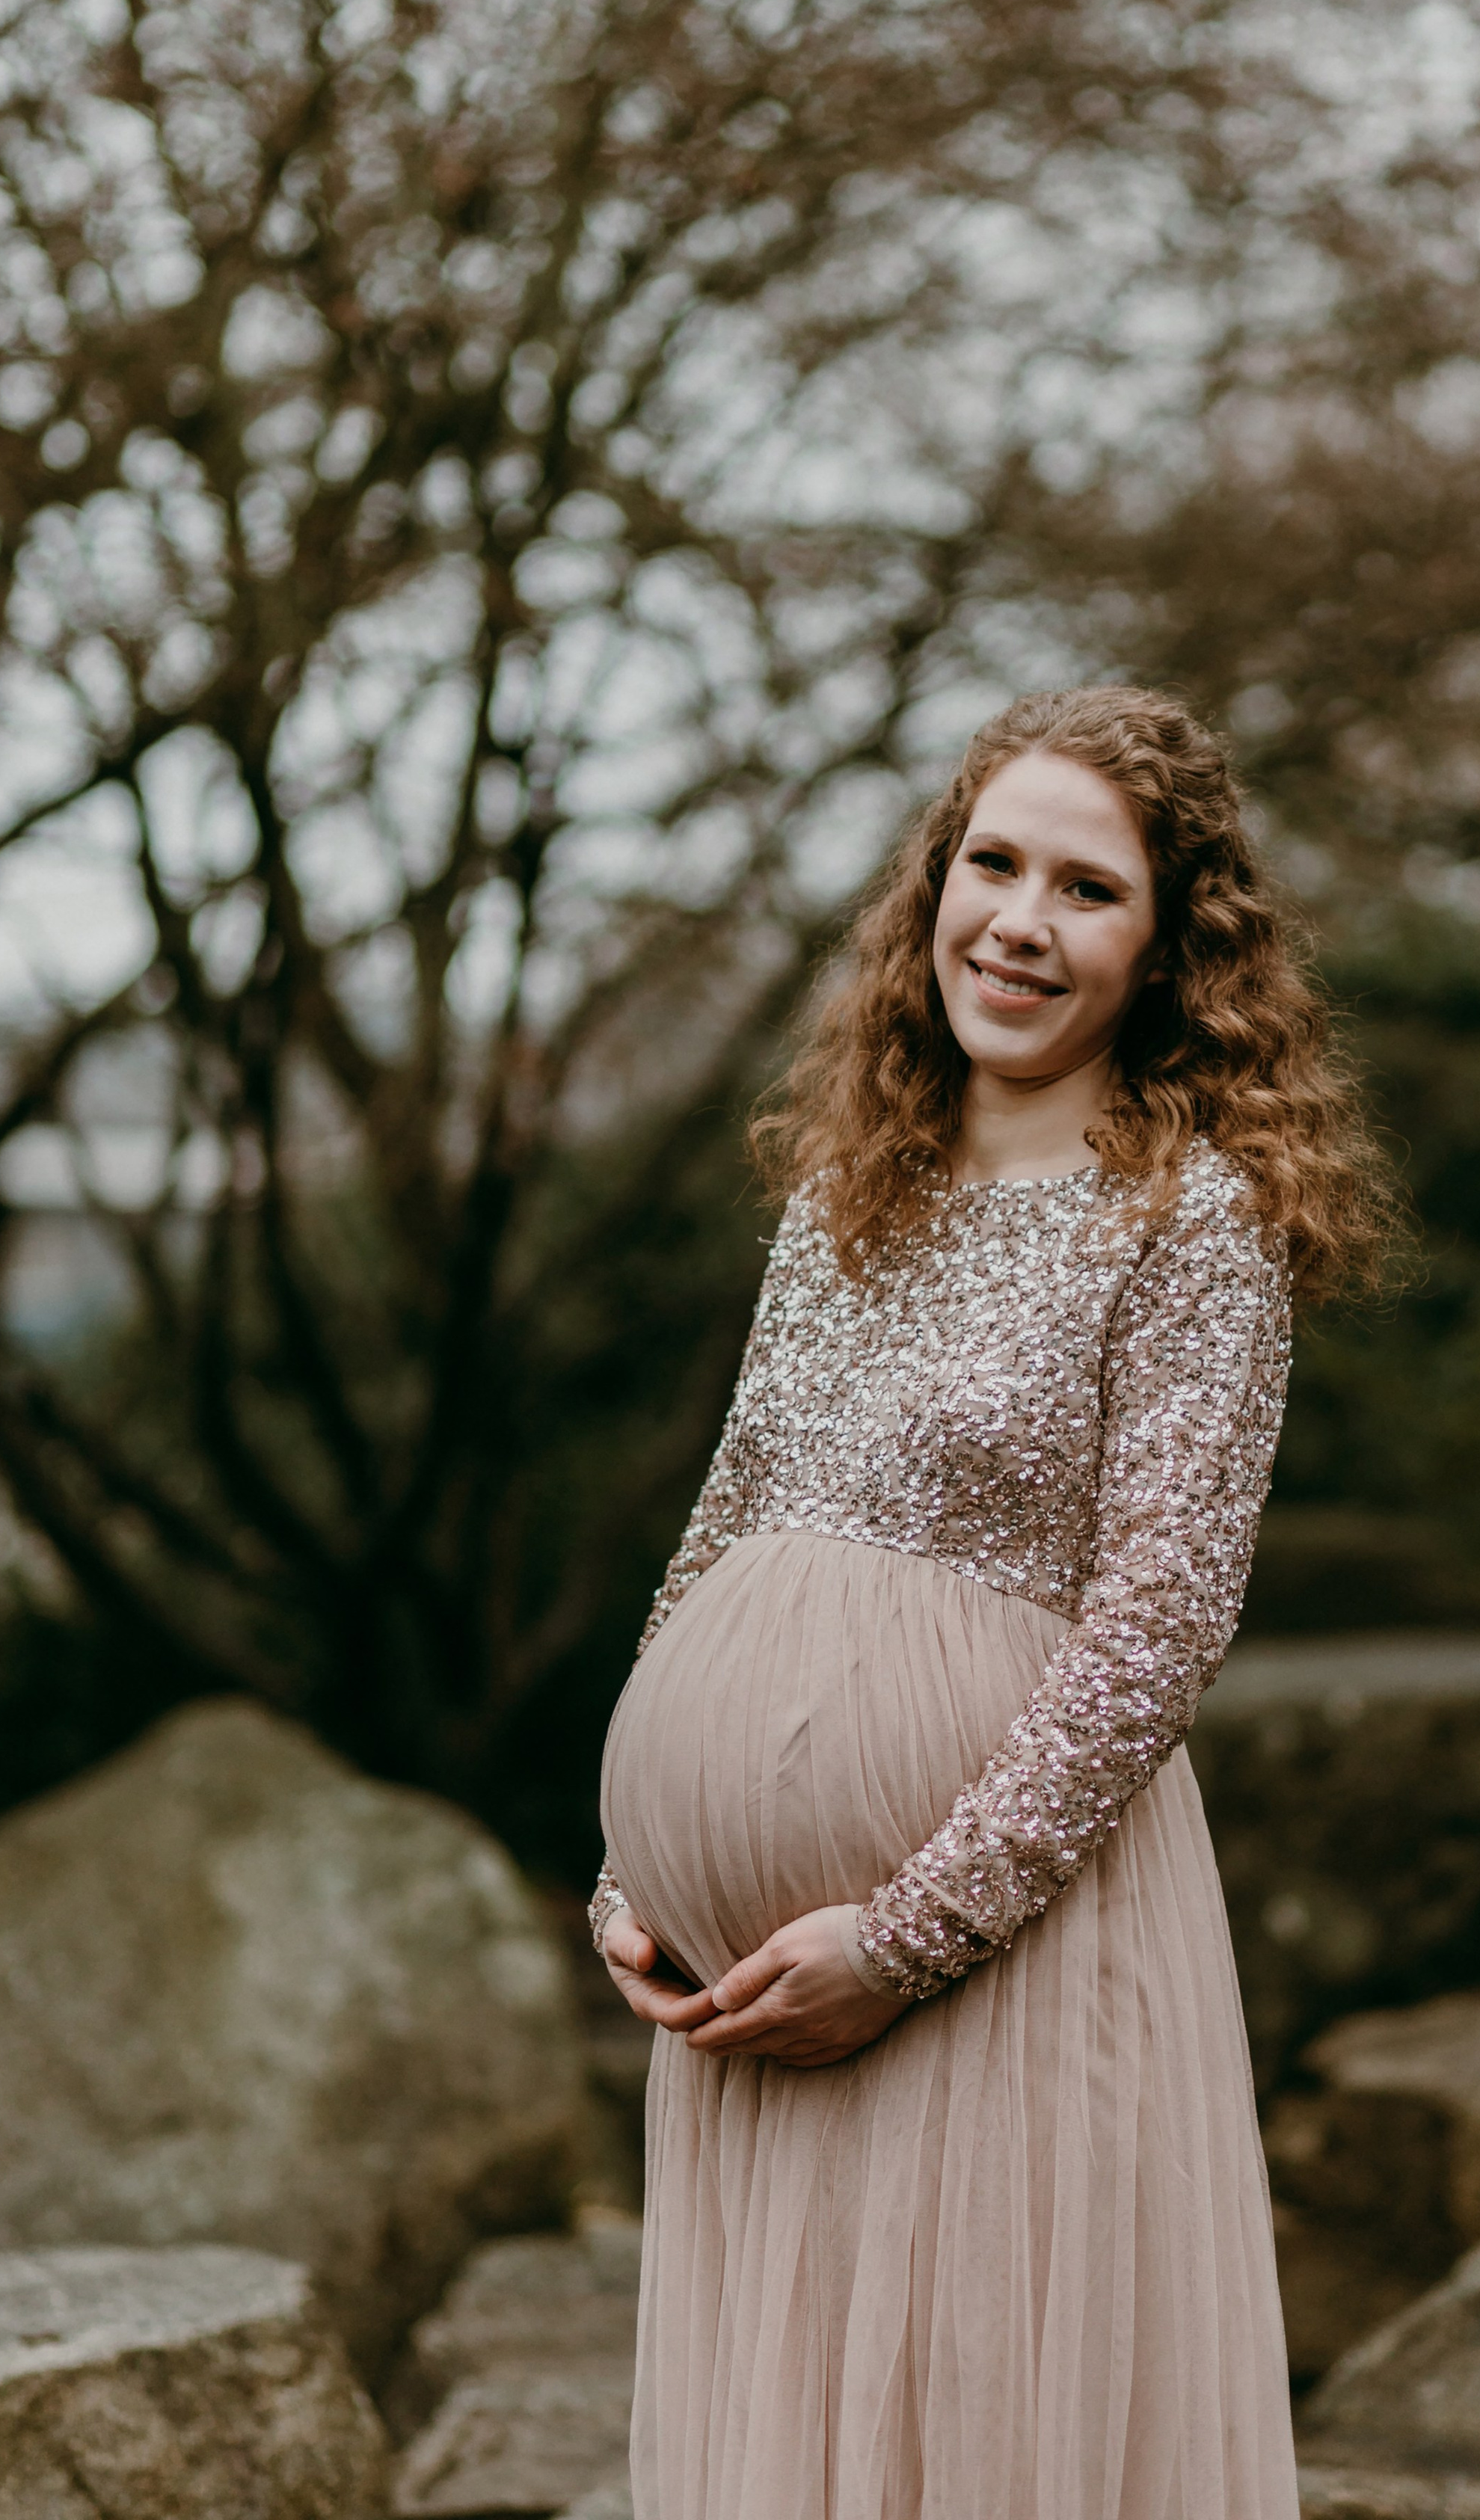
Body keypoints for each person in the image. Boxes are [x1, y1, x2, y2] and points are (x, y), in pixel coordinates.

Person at [589, 684, 1398, 2520]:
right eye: (992, 862)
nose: (1019, 921)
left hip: (993, 1966)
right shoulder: (843, 1189)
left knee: (972, 2444)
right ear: (932, 885)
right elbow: (729, 1519)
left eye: (1086, 890)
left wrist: (907, 1935)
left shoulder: (1190, 1220)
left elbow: (1158, 1626)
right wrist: (639, 1872)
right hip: (738, 2002)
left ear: (1167, 950)